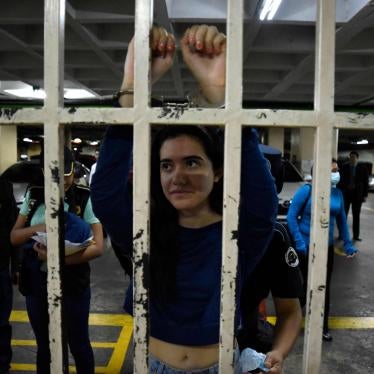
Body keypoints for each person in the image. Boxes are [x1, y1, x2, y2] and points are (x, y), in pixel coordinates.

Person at [91, 25, 278, 373]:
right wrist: (131, 93)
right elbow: (104, 193)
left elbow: (263, 201)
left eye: (192, 162)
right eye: (166, 165)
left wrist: (223, 101)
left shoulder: (236, 236)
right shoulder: (146, 232)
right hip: (153, 365)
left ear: (218, 171)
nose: (177, 176)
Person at [10, 147, 104, 374]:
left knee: (79, 343)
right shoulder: (34, 195)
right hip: (36, 282)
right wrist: (42, 227)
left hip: (73, 281)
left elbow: (98, 246)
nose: (64, 183)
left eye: (67, 176)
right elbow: (14, 236)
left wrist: (57, 260)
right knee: (45, 346)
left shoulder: (84, 196)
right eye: (56, 178)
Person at [237, 145, 303, 374]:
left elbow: (290, 310)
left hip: (247, 343)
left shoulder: (274, 237)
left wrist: (279, 352)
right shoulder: (192, 226)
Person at [287, 159, 357, 342]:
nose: (336, 173)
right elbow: (291, 216)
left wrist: (348, 244)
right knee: (303, 289)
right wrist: (299, 242)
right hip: (306, 246)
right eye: (333, 169)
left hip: (327, 249)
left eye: (337, 169)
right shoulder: (307, 191)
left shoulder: (337, 194)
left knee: (323, 288)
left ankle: (321, 327)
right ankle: (286, 321)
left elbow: (342, 221)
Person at [0, 176, 18, 374]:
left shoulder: (4, 185)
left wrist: (16, 266)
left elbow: (12, 224)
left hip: (1, 267)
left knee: (1, 323)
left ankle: (3, 364)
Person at [338, 151, 369, 241]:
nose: (352, 159)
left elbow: (365, 183)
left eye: (354, 157)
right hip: (346, 195)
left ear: (357, 158)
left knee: (356, 217)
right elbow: (340, 181)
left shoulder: (363, 168)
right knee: (343, 216)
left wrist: (365, 195)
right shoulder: (344, 167)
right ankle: (341, 234)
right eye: (351, 157)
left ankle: (356, 236)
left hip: (357, 196)